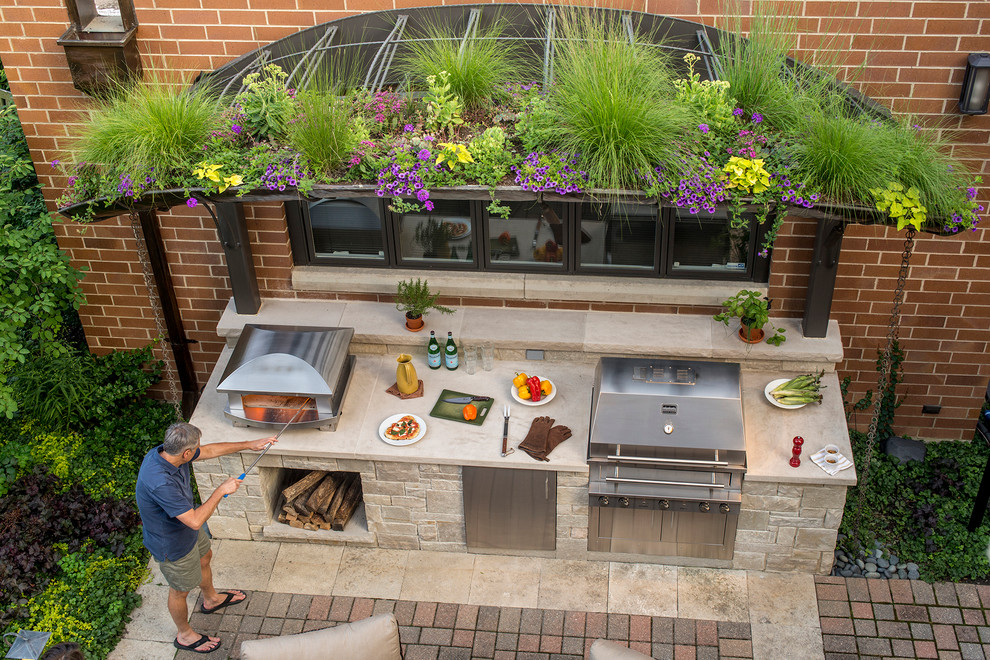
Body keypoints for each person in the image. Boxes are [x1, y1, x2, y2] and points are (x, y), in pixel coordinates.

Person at [135, 422, 275, 655]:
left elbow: (209, 451)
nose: (198, 451)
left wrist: (251, 444)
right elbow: (195, 521)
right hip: (171, 541)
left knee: (205, 557)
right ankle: (185, 635)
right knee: (180, 590)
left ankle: (211, 599)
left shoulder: (168, 453)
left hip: (185, 528)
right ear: (186, 453)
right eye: (195, 449)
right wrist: (221, 490)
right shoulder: (159, 481)